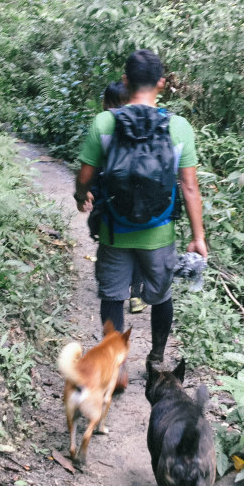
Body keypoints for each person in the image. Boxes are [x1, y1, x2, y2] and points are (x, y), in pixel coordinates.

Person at [75, 50, 208, 369]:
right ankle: (157, 358)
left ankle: (115, 367)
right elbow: (189, 187)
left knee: (113, 296)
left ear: (125, 80)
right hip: (159, 233)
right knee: (161, 296)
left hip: (114, 229)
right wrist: (198, 237)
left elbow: (85, 176)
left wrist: (81, 196)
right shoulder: (179, 127)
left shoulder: (104, 121)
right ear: (161, 83)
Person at [100, 81, 147, 315]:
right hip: (143, 198)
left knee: (116, 248)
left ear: (107, 101)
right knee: (139, 247)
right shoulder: (143, 122)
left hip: (113, 204)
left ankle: (115, 289)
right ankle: (136, 296)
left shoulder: (105, 122)